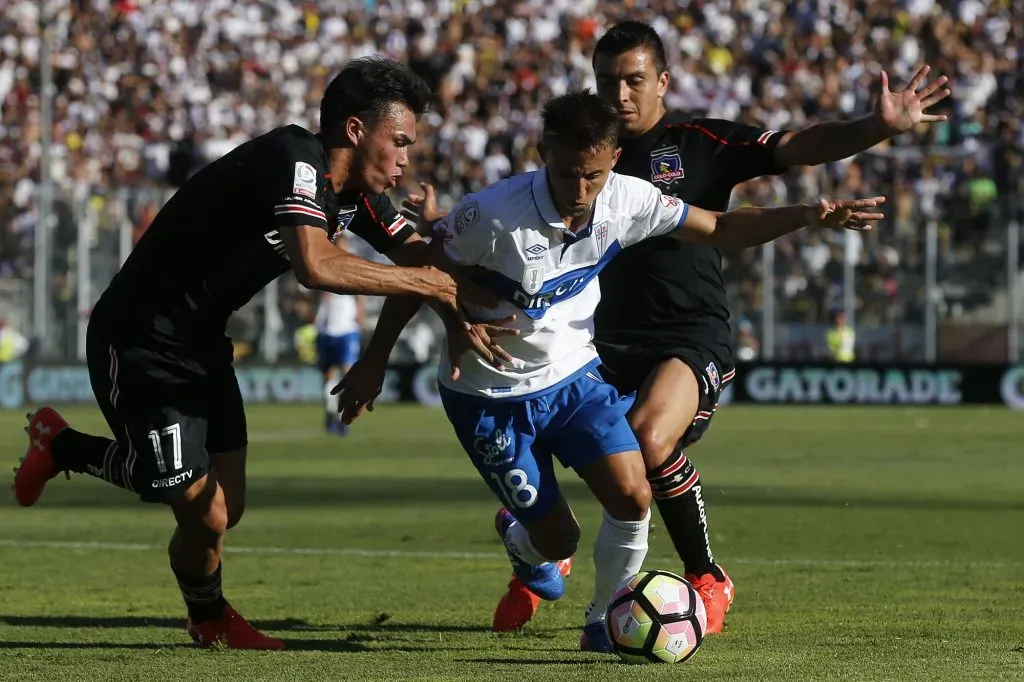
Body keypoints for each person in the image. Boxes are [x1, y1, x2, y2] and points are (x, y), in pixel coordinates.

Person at [333, 90, 885, 651]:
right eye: (569, 173)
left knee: (633, 495)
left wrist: (809, 216)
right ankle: (524, 542)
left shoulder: (630, 200)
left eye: (592, 176)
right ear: (546, 151)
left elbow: (720, 228)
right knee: (557, 538)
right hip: (488, 394)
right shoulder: (492, 214)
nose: (579, 191)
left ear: (614, 160)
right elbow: (419, 272)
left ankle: (604, 622)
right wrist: (374, 361)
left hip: (575, 376)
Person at [12, 56, 502, 651]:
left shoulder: (361, 197)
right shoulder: (293, 158)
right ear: (354, 130)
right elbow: (316, 266)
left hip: (203, 345)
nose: (405, 157)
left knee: (226, 506)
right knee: (199, 507)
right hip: (138, 338)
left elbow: (427, 261)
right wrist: (432, 286)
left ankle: (60, 443)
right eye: (398, 141)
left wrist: (468, 286)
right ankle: (210, 616)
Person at [491, 20, 951, 635]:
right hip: (590, 343)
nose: (620, 95)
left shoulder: (700, 142)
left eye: (633, 81)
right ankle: (538, 561)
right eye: (607, 82)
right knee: (535, 458)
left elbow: (796, 146)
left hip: (689, 335)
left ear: (663, 82)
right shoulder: (582, 154)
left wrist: (875, 129)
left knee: (648, 440)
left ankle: (705, 576)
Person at [315, 236, 366, 435]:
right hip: (327, 328)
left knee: (347, 374)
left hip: (347, 328)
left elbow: (360, 289)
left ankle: (343, 418)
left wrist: (360, 310)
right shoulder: (323, 265)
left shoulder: (352, 266)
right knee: (328, 377)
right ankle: (330, 413)